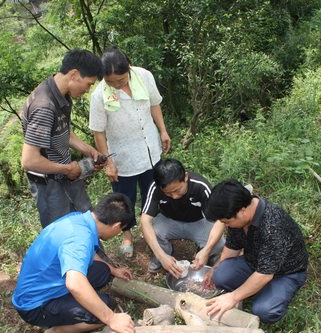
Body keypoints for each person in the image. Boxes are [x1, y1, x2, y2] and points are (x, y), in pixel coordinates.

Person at [12, 192, 135, 333]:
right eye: (120, 231)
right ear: (116, 226)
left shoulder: (79, 219)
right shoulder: (80, 238)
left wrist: (113, 270)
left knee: (103, 271)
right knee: (106, 306)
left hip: (49, 282)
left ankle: (72, 301)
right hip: (35, 305)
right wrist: (111, 318)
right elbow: (75, 284)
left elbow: (88, 252)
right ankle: (55, 331)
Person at [89, 46, 171, 257]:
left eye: (122, 79)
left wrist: (162, 131)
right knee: (123, 199)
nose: (117, 84)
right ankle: (127, 236)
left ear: (129, 69)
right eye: (112, 81)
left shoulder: (144, 76)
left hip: (150, 149)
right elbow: (98, 132)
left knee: (152, 192)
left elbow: (155, 105)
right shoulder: (99, 95)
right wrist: (108, 162)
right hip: (122, 157)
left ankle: (151, 231)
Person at [203, 180, 308, 324]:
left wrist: (232, 297)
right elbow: (232, 248)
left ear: (242, 211)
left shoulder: (273, 225)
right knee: (220, 275)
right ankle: (255, 287)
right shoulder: (236, 216)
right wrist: (214, 268)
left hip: (286, 272)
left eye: (226, 222)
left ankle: (270, 290)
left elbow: (265, 274)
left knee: (264, 311)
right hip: (254, 262)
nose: (225, 225)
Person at [21, 49, 105, 228]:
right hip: (48, 184)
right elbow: (29, 160)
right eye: (89, 84)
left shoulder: (62, 95)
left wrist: (89, 150)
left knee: (85, 221)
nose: (88, 89)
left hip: (66, 174)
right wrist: (67, 169)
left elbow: (63, 132)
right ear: (74, 74)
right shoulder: (44, 106)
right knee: (62, 231)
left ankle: (92, 255)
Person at [140, 158, 225, 278]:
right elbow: (145, 220)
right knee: (153, 230)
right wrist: (161, 256)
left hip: (198, 222)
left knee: (219, 242)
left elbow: (220, 221)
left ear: (185, 177)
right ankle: (164, 255)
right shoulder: (155, 187)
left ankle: (210, 255)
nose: (174, 196)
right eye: (168, 193)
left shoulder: (200, 186)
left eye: (177, 190)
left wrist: (206, 250)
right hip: (169, 221)